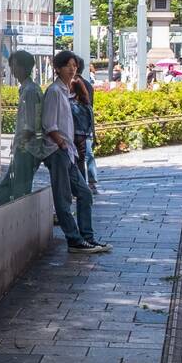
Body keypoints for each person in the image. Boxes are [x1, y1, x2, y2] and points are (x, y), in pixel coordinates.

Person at [39, 50, 110, 254]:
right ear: (58, 68)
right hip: (58, 151)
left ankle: (87, 237)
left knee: (85, 194)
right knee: (63, 199)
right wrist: (61, 144)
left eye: (74, 65)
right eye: (68, 65)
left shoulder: (65, 91)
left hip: (68, 151)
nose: (73, 68)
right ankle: (74, 240)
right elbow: (49, 125)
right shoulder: (54, 92)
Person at [0, 50, 44, 203]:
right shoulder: (29, 89)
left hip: (26, 149)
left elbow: (30, 124)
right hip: (27, 148)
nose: (12, 69)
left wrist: (20, 146)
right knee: (11, 189)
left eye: (13, 65)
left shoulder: (30, 91)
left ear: (22, 67)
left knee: (14, 191)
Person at [73, 57, 99, 194]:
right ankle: (92, 183)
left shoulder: (73, 83)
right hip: (86, 129)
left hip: (78, 130)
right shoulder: (88, 85)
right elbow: (91, 109)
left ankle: (83, 186)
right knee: (87, 155)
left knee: (80, 158)